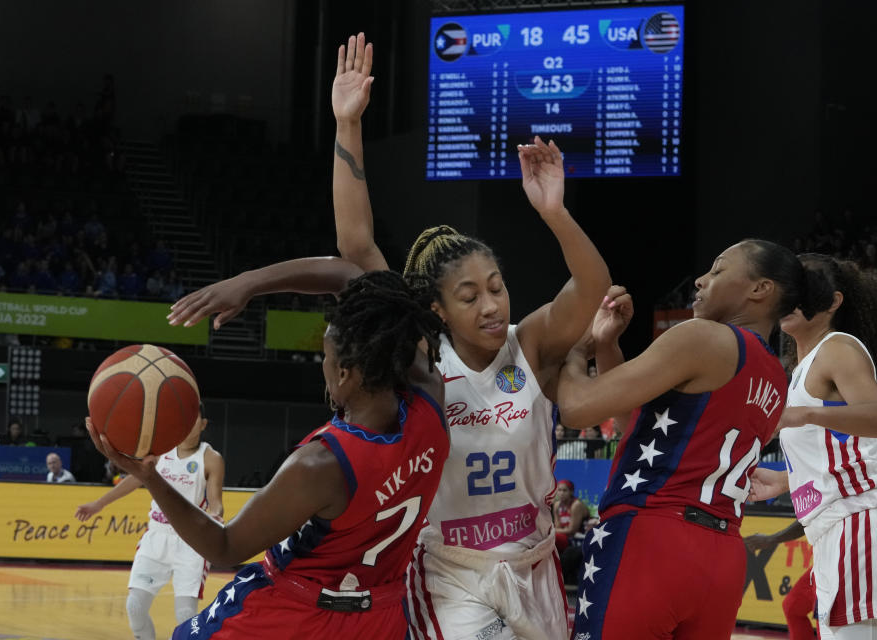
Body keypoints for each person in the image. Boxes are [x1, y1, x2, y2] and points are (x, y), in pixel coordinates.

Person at [167, 33, 610, 640]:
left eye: (497, 286)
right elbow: (355, 249)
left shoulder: (527, 345)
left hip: (534, 565)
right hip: (448, 572)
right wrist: (348, 125)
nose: (491, 304)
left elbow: (591, 285)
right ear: (434, 309)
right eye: (469, 294)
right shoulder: (422, 360)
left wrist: (555, 212)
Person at [99, 266, 448, 639]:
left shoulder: (321, 465)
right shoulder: (431, 404)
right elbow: (352, 278)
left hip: (294, 613)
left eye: (325, 359)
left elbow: (225, 546)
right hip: (380, 618)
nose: (324, 368)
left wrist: (150, 476)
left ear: (344, 373)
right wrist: (247, 285)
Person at [557, 239, 800, 639]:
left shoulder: (702, 337)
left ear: (761, 289)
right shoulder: (776, 377)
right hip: (722, 554)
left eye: (719, 270)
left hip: (653, 538)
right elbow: (638, 425)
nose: (702, 280)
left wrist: (576, 349)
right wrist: (606, 346)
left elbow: (577, 408)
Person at [750, 254, 877, 640]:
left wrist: (806, 414)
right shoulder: (802, 369)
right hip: (835, 535)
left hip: (860, 525)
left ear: (832, 301)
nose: (791, 298)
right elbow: (839, 454)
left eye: (803, 289)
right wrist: (784, 481)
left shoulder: (837, 347)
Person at [76, 406, 225, 640]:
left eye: (194, 420)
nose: (188, 425)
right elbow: (134, 479)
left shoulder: (211, 458)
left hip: (191, 541)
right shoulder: (160, 451)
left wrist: (216, 515)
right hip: (156, 536)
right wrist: (99, 504)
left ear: (203, 424)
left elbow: (216, 501)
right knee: (135, 607)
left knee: (185, 613)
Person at [743, 520, 815, 640]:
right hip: (820, 560)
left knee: (826, 621)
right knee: (792, 607)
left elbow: (808, 518)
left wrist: (772, 539)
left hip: (835, 560)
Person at [552, 479, 590, 553]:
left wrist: (552, 531)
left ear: (571, 492)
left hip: (579, 538)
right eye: (559, 490)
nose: (561, 493)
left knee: (552, 538)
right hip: (565, 536)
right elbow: (558, 526)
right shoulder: (557, 505)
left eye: (564, 490)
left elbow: (572, 530)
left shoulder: (576, 505)